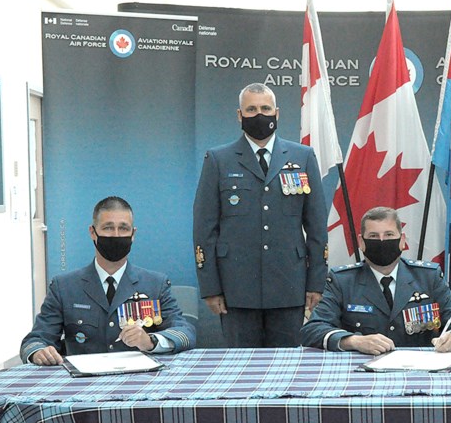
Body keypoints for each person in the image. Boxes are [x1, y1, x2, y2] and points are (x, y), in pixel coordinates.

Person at [193, 82, 328, 348]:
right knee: (240, 370)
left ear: (277, 113)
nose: (259, 115)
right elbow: (204, 229)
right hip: (236, 289)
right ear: (239, 115)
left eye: (265, 108)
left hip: (289, 284)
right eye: (251, 109)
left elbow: (316, 227)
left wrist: (316, 283)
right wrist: (211, 287)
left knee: (288, 369)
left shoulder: (303, 157)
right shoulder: (218, 159)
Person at [21, 196, 196, 365]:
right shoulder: (64, 286)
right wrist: (39, 352)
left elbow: (185, 333)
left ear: (133, 234)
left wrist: (150, 341)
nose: (116, 235)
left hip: (141, 379)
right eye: (108, 228)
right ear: (93, 232)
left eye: (123, 228)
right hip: (82, 382)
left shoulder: (155, 284)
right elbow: (36, 339)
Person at [301, 207, 451, 355]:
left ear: (402, 241)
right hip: (363, 372)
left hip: (420, 371)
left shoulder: (428, 277)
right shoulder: (342, 281)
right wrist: (353, 341)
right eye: (374, 236)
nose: (382, 241)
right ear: (361, 243)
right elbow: (312, 330)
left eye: (389, 234)